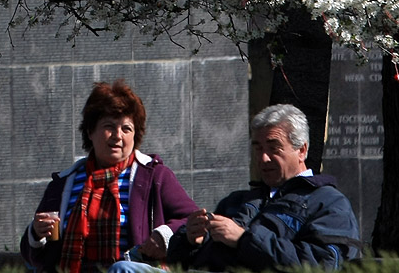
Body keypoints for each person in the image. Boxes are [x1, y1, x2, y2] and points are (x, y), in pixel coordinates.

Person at [109, 103, 362, 273]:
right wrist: (190, 241)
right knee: (124, 269)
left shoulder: (328, 202)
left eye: (273, 148)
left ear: (302, 150)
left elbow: (326, 264)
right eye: (258, 149)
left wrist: (243, 240)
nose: (263, 159)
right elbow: (183, 261)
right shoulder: (240, 200)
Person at [21, 79, 198, 273]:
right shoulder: (63, 185)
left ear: (135, 135)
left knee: (121, 269)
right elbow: (35, 256)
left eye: (126, 129)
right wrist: (36, 234)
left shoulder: (154, 176)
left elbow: (193, 221)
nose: (118, 135)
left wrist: (164, 235)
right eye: (109, 126)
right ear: (90, 131)